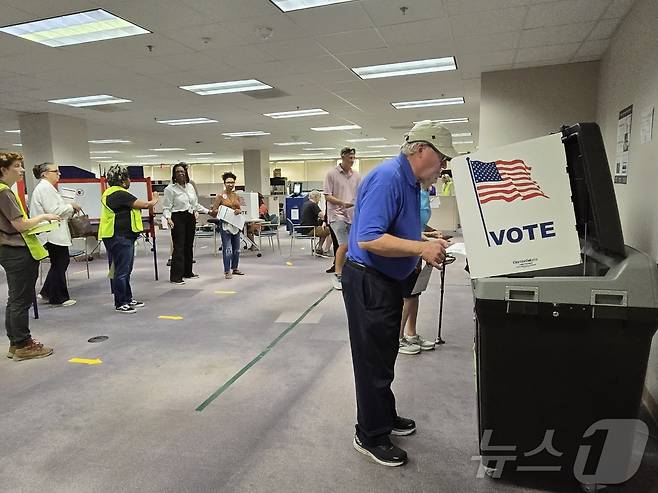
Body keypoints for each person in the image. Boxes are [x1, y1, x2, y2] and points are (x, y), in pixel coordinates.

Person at [341, 121, 454, 466]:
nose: (443, 167)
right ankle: (370, 434)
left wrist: (424, 237)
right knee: (372, 361)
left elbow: (394, 225)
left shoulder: (409, 181)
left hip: (386, 281)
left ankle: (383, 416)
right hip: (369, 282)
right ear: (422, 150)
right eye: (441, 158)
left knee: (384, 355)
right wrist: (420, 249)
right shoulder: (389, 177)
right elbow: (369, 238)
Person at [0, 152, 58, 361]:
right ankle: (24, 344)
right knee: (20, 300)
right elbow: (19, 225)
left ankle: (16, 344)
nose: (22, 170)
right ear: (3, 169)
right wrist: (43, 217)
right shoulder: (4, 192)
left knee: (15, 299)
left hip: (8, 250)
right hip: (16, 250)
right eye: (16, 166)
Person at [98, 165, 158, 313]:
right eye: (128, 178)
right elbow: (144, 204)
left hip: (120, 236)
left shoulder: (111, 193)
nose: (130, 181)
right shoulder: (119, 194)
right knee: (122, 271)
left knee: (125, 270)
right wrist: (155, 198)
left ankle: (127, 298)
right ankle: (120, 302)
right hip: (119, 237)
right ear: (123, 180)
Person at [398, 176, 447, 355]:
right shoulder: (411, 194)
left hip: (418, 248)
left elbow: (420, 223)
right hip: (408, 250)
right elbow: (405, 226)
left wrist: (432, 232)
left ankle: (411, 334)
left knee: (415, 293)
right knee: (407, 295)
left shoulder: (424, 193)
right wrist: (429, 240)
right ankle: (398, 337)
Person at [29, 162, 82, 307]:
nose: (59, 174)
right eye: (55, 171)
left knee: (59, 262)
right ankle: (58, 298)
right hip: (51, 232)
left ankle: (47, 292)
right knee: (60, 262)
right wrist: (71, 206)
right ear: (45, 174)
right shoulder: (45, 188)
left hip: (52, 231)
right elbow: (55, 211)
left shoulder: (46, 188)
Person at [162, 163, 208, 284]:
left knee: (189, 245)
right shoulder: (170, 189)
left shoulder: (190, 187)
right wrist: (168, 218)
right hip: (178, 217)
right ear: (174, 175)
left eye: (182, 171)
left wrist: (208, 211)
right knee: (179, 246)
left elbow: (195, 205)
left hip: (190, 216)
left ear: (186, 173)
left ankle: (188, 272)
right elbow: (166, 207)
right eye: (177, 172)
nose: (180, 173)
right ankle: (176, 276)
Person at [323, 147, 361, 290]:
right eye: (350, 158)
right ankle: (338, 273)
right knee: (344, 245)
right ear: (342, 157)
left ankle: (349, 271)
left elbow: (359, 194)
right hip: (336, 214)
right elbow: (327, 195)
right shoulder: (331, 174)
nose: (352, 161)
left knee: (353, 245)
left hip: (352, 214)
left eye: (354, 158)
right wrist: (342, 203)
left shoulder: (356, 176)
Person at [210, 172, 243, 279]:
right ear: (224, 183)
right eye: (228, 182)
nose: (230, 184)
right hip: (225, 224)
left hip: (235, 224)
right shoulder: (220, 196)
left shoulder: (236, 195)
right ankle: (227, 270)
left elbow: (239, 208)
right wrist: (222, 211)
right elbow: (213, 211)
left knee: (236, 248)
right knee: (227, 248)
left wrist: (238, 210)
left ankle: (235, 268)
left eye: (232, 182)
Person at [300, 190, 331, 256]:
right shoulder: (313, 205)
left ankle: (320, 248)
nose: (319, 200)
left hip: (304, 228)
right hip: (310, 229)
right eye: (319, 198)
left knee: (323, 229)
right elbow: (322, 216)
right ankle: (323, 249)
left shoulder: (306, 203)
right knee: (329, 230)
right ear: (316, 197)